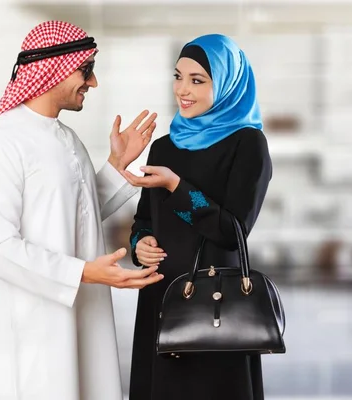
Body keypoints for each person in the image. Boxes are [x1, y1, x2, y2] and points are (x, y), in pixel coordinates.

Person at [0, 21, 164, 400]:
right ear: (57, 66)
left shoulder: (66, 139)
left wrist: (116, 166)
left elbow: (74, 214)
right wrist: (84, 273)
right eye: (87, 70)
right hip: (29, 331)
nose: (92, 83)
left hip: (79, 319)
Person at [121, 34, 272, 400]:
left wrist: (177, 186)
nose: (182, 90)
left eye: (197, 80)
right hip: (161, 301)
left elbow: (231, 230)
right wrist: (140, 244)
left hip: (215, 305)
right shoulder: (164, 146)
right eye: (178, 76)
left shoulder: (248, 144)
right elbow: (143, 220)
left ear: (227, 84)